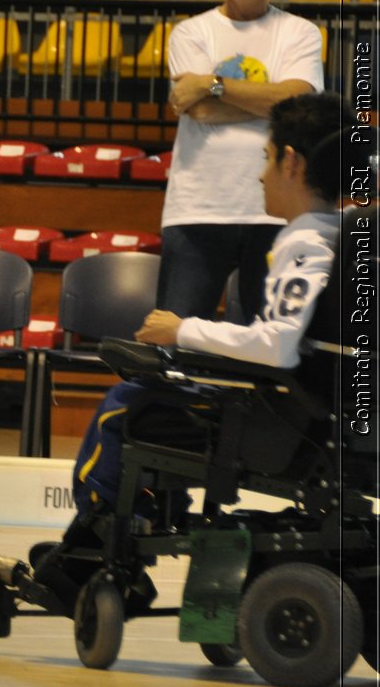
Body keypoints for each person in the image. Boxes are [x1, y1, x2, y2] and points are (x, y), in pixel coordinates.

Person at [71, 92, 354, 520]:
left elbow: (277, 345)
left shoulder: (307, 242)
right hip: (305, 412)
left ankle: (91, 544)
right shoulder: (339, 235)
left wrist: (182, 330)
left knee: (127, 402)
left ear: (292, 164)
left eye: (267, 157)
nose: (260, 176)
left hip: (282, 423)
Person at [159, 0, 323, 321]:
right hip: (197, 210)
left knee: (268, 346)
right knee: (173, 345)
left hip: (275, 212)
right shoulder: (191, 32)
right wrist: (268, 97)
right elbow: (198, 109)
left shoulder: (300, 33)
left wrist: (210, 83)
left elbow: (297, 102)